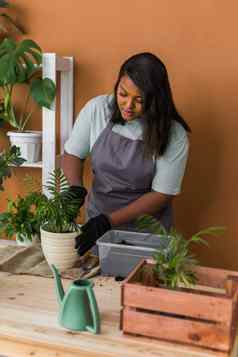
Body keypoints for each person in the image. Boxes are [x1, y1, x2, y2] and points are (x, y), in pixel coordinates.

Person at [62, 52, 191, 256]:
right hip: (97, 226)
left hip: (146, 234)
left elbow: (161, 195)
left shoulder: (174, 134)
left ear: (156, 99)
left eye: (139, 100)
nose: (128, 106)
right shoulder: (98, 109)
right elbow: (72, 155)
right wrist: (75, 188)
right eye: (123, 94)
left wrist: (109, 221)